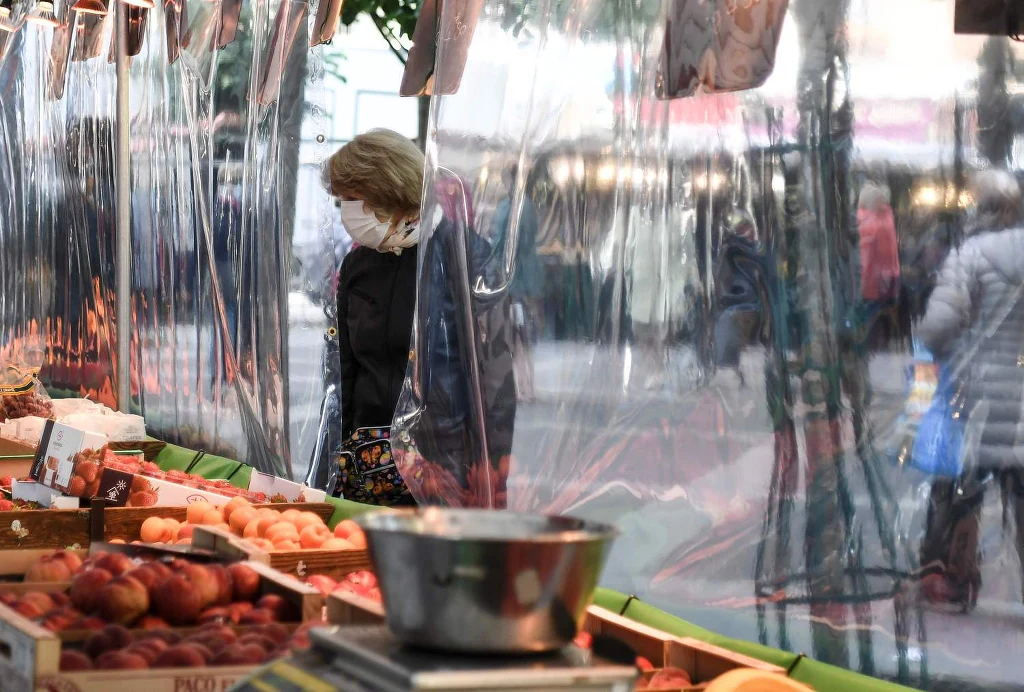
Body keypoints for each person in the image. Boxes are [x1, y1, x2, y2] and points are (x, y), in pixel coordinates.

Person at [917, 169, 1024, 609]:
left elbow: (937, 329)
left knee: (958, 489)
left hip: (977, 397)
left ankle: (950, 579)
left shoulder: (970, 256)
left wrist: (949, 348)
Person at [325, 129, 424, 505]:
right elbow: (344, 367)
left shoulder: (453, 260)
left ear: (390, 191)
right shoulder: (357, 265)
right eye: (342, 201)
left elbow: (488, 379)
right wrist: (341, 448)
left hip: (435, 467)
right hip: (368, 462)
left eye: (353, 198)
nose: (346, 212)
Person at [489, 165, 542, 402]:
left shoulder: (511, 207)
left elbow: (500, 242)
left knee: (517, 334)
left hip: (513, 280)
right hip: (523, 279)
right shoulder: (525, 206)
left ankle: (523, 386)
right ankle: (526, 384)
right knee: (522, 334)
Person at [856, 182, 900, 348]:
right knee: (880, 316)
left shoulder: (868, 222)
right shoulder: (886, 217)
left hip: (873, 280)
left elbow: (866, 258)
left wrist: (861, 282)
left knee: (870, 317)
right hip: (888, 276)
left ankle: (870, 347)